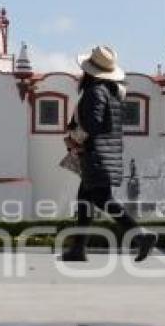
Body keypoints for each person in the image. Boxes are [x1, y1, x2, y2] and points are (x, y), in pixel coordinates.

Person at [63, 45, 156, 262]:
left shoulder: (95, 92)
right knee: (84, 201)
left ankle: (141, 236)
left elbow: (93, 125)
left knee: (103, 199)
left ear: (89, 71)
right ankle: (78, 249)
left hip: (96, 155)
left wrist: (75, 137)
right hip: (104, 154)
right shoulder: (112, 92)